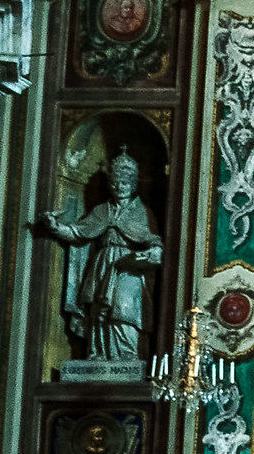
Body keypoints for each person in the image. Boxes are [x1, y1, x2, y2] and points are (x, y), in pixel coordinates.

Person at [40, 149, 164, 361]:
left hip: (128, 265)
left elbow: (153, 239)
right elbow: (77, 232)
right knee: (99, 311)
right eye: (116, 182)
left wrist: (154, 252)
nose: (119, 187)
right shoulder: (101, 211)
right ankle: (98, 353)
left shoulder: (142, 211)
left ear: (133, 184)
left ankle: (127, 355)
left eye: (125, 182)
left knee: (125, 308)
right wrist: (54, 227)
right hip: (104, 263)